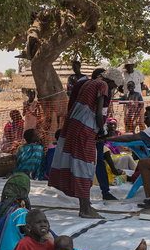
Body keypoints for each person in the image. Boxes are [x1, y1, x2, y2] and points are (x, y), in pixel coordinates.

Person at [48, 66, 123, 218]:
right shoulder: (102, 85)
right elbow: (98, 111)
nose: (113, 89)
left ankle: (86, 205)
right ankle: (85, 209)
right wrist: (102, 132)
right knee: (86, 165)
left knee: (80, 164)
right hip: (85, 128)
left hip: (75, 125)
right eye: (114, 85)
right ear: (111, 80)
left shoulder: (88, 83)